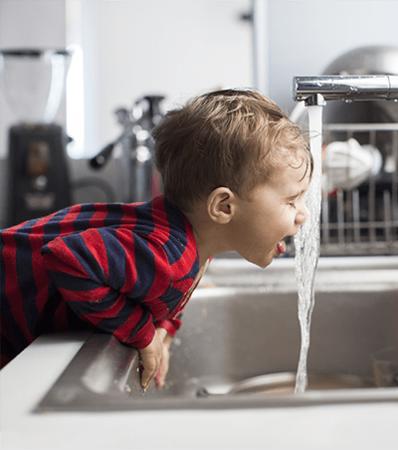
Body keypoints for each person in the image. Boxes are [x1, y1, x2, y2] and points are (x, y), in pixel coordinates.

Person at [0, 89, 312, 389]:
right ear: (224, 207)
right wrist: (142, 334)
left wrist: (164, 326)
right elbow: (67, 256)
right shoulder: (168, 254)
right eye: (291, 201)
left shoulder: (192, 243)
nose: (303, 214)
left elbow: (156, 289)